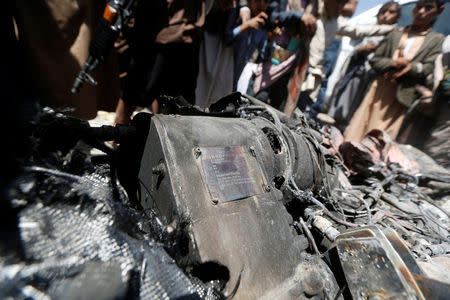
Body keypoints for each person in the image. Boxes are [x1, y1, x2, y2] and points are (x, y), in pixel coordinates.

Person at [344, 0, 445, 142]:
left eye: (428, 8)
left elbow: (428, 67)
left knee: (380, 138)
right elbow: (376, 59)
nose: (421, 12)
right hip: (378, 90)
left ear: (439, 10)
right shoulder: (396, 33)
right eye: (418, 7)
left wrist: (411, 67)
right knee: (358, 128)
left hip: (401, 96)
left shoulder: (435, 41)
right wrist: (392, 63)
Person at [284, 0, 395, 116]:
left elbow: (358, 31)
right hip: (295, 64)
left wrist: (388, 29)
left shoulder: (336, 22)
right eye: (339, 3)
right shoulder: (313, 12)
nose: (341, 7)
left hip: (313, 71)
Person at [114, 0, 207, 124]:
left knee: (177, 102)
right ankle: (118, 133)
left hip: (187, 28)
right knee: (137, 88)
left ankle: (161, 136)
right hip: (160, 28)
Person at [327, 1, 401, 130]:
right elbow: (354, 46)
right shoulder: (369, 29)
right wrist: (361, 50)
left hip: (376, 75)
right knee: (346, 100)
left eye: (391, 12)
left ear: (398, 16)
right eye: (383, 11)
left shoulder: (396, 34)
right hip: (358, 70)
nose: (385, 15)